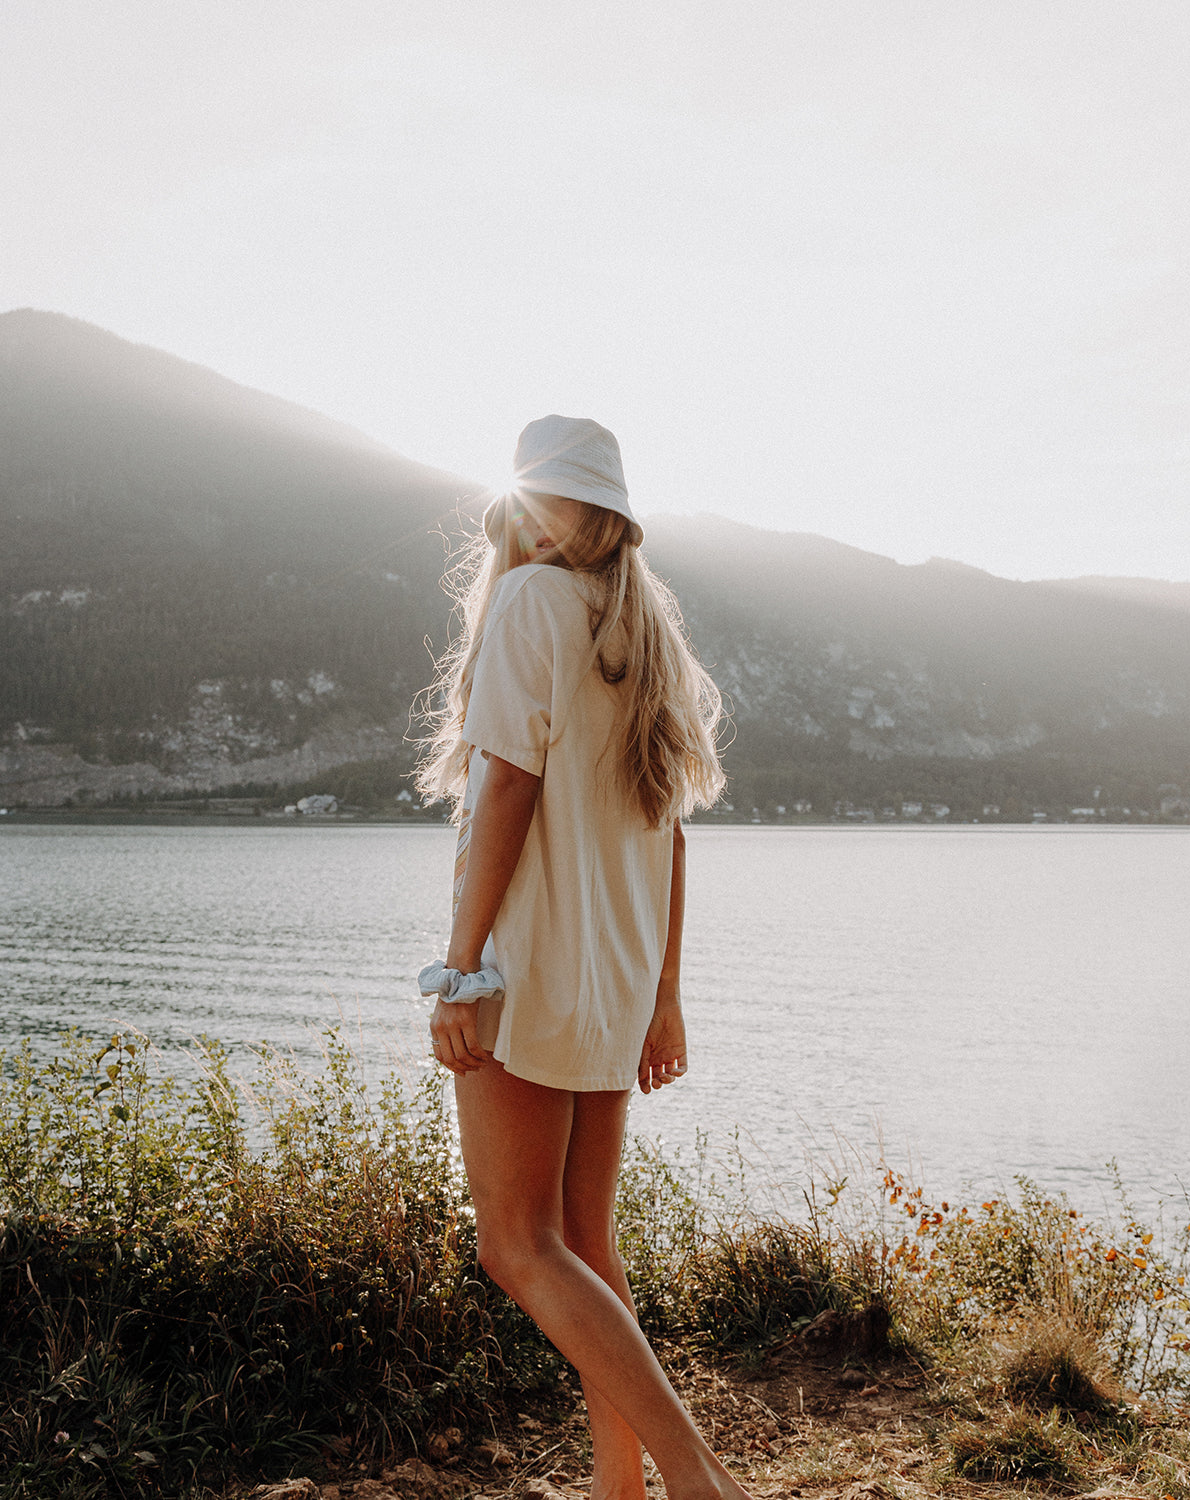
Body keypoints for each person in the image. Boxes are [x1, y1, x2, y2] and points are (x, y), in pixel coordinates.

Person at [416, 415, 747, 1500]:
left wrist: (460, 972)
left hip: (529, 974)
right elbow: (673, 835)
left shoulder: (528, 602)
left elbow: (504, 787)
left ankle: (699, 1480)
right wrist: (664, 998)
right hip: (610, 982)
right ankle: (622, 1488)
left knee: (517, 1246)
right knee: (585, 1250)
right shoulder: (644, 634)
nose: (533, 519)